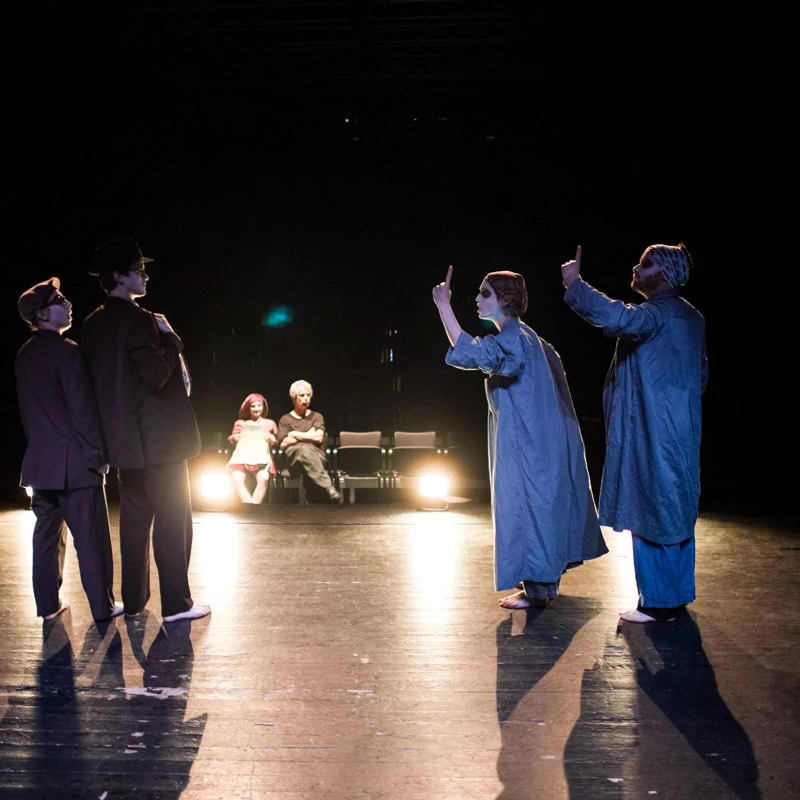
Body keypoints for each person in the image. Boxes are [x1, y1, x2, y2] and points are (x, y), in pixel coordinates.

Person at [432, 265, 607, 608]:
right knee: (539, 508)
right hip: (538, 440)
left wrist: (443, 306)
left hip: (529, 444)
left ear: (505, 299)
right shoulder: (529, 337)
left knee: (528, 508)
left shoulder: (515, 338)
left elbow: (476, 354)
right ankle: (540, 583)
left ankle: (538, 589)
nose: (478, 299)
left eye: (485, 293)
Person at [561, 243, 707, 623]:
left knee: (650, 508)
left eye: (646, 264)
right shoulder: (692, 318)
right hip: (679, 429)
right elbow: (701, 375)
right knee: (674, 511)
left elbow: (618, 317)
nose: (637, 269)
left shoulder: (657, 315)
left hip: (655, 430)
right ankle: (675, 595)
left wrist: (576, 284)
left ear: (666, 274)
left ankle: (656, 602)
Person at [81, 236, 210, 623]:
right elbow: (156, 374)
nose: (145, 276)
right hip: (161, 443)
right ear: (119, 277)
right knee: (173, 522)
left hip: (125, 444)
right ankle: (176, 604)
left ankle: (134, 602)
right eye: (138, 271)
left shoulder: (92, 324)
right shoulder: (142, 320)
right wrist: (171, 339)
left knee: (134, 524)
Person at [15, 277, 124, 623]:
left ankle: (48, 606)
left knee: (46, 539)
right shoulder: (68, 351)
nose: (69, 304)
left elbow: (29, 414)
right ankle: (103, 607)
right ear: (44, 315)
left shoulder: (24, 355)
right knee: (91, 541)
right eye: (60, 300)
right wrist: (98, 455)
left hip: (40, 464)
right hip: (76, 463)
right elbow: (83, 410)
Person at [277, 379, 342, 504]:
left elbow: (318, 438)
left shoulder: (317, 417)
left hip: (317, 456)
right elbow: (283, 444)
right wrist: (309, 435)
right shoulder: (285, 419)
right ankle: (329, 488)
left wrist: (294, 434)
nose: (306, 398)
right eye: (302, 395)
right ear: (294, 398)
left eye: (308, 395)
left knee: (304, 457)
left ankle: (305, 510)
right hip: (293, 459)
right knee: (303, 450)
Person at [227, 393, 278, 504]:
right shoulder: (240, 424)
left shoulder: (269, 424)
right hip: (241, 459)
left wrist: (272, 439)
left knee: (263, 477)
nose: (256, 409)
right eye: (253, 406)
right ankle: (249, 508)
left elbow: (275, 441)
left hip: (260, 459)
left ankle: (253, 508)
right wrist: (234, 438)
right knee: (237, 478)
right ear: (248, 408)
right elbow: (232, 440)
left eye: (259, 405)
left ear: (263, 407)